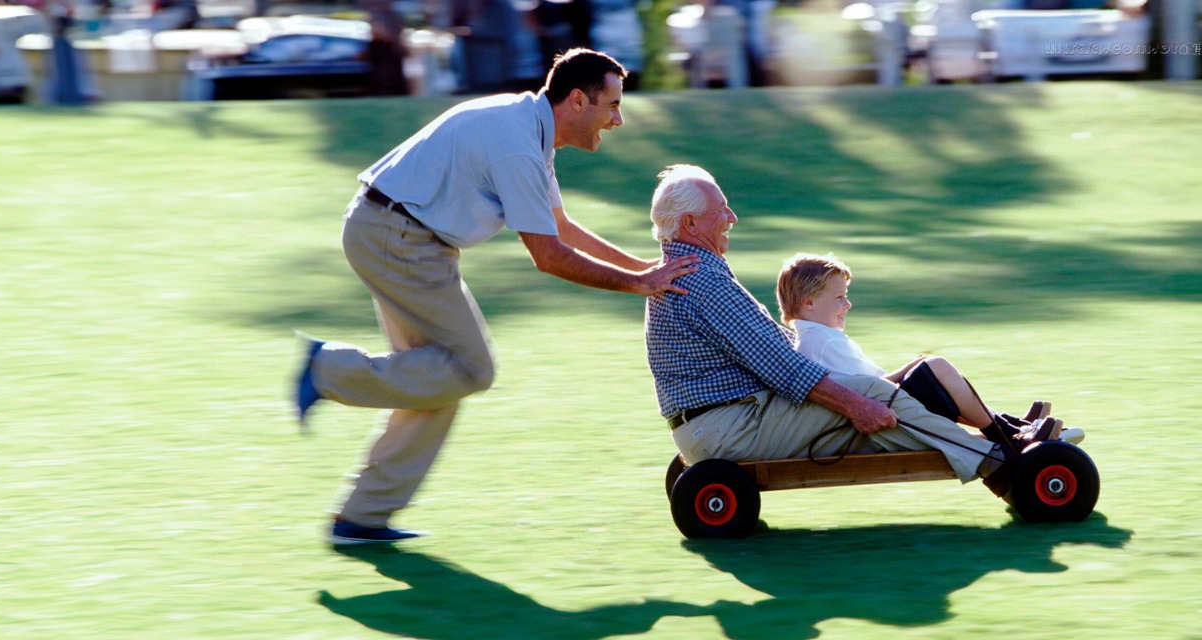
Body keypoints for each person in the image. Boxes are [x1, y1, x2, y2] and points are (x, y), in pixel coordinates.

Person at [293, 49, 700, 546]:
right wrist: (638, 284)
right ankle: (326, 370)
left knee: (438, 376)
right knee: (471, 368)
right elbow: (548, 255)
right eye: (612, 104)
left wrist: (646, 268)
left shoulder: (528, 128)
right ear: (577, 100)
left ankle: (360, 518)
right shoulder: (518, 147)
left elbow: (562, 228)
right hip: (397, 237)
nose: (617, 119)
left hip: (399, 234)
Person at [643, 165, 1054, 499]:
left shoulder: (685, 271)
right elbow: (784, 368)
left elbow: (770, 349)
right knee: (872, 395)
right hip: (730, 427)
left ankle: (998, 436)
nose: (732, 217)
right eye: (723, 209)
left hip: (713, 425)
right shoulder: (702, 280)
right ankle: (1002, 462)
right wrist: (857, 405)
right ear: (691, 222)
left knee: (868, 390)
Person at [775, 253, 1083, 444]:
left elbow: (867, 385)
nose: (848, 304)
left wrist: (912, 367)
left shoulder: (815, 338)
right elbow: (872, 390)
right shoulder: (823, 342)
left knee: (932, 371)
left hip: (879, 409)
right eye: (839, 297)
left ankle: (1010, 426)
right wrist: (913, 368)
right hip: (879, 419)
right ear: (809, 303)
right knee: (936, 367)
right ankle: (1006, 433)